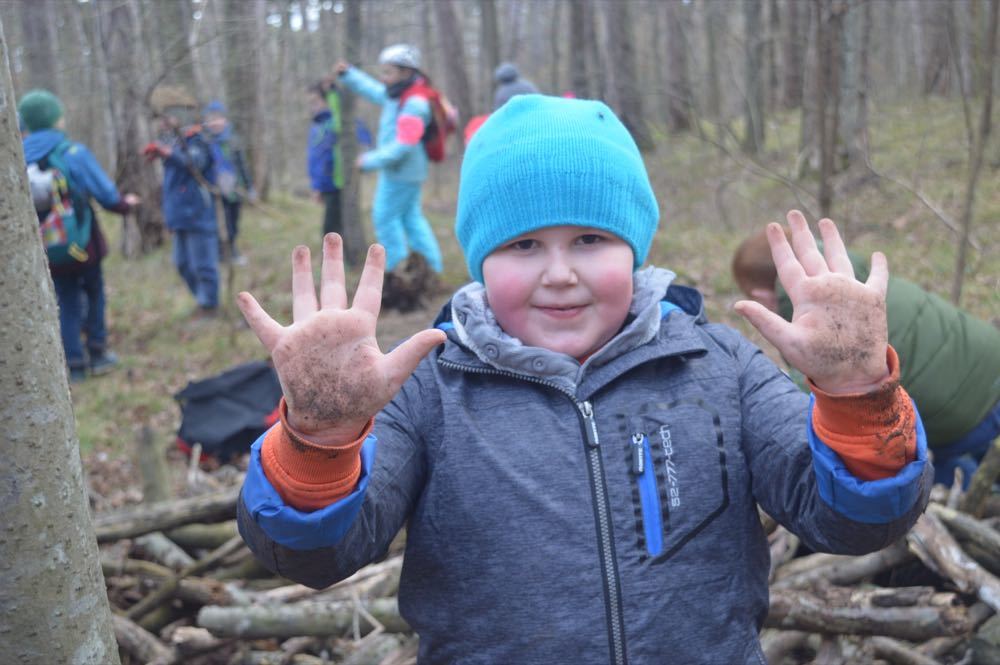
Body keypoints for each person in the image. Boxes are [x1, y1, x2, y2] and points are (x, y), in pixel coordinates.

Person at [235, 96, 931, 664]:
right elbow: (316, 554)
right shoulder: (431, 391)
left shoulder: (719, 366)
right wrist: (322, 434)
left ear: (635, 247)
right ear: (481, 260)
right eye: (523, 245)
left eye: (591, 240)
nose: (560, 273)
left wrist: (856, 396)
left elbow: (853, 520)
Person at [733, 228, 1000, 488]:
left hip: (968, 419)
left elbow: (818, 410)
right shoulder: (856, 279)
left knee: (947, 482)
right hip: (990, 356)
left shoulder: (815, 333)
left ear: (762, 297)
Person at [20, 89, 139, 383]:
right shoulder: (71, 152)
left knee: (66, 299)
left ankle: (73, 362)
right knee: (94, 291)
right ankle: (97, 352)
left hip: (47, 246)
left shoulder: (18, 157)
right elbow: (106, 195)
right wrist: (126, 205)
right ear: (55, 118)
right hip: (81, 244)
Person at [333, 44, 444, 279]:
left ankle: (396, 269)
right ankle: (432, 267)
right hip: (404, 171)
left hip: (402, 172)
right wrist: (349, 74)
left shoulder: (415, 104)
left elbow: (405, 144)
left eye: (388, 72)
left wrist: (369, 161)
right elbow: (373, 90)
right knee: (411, 219)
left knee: (384, 217)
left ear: (406, 72)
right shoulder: (398, 94)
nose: (383, 78)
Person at [144, 86, 219, 317]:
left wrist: (168, 153)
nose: (163, 123)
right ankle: (202, 300)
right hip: (178, 215)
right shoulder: (173, 142)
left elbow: (195, 163)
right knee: (182, 264)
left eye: (167, 117)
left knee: (203, 264)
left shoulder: (198, 139)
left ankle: (209, 306)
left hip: (197, 213)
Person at [203, 100, 254, 265]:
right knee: (221, 224)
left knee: (234, 222)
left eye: (218, 119)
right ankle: (221, 253)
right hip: (215, 192)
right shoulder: (204, 142)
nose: (215, 123)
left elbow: (242, 165)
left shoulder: (233, 140)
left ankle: (232, 250)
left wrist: (249, 187)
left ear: (225, 120)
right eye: (211, 119)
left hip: (234, 189)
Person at [306, 81, 345, 243]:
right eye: (310, 103)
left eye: (315, 102)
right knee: (329, 228)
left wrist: (333, 93)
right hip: (324, 185)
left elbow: (326, 159)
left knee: (332, 228)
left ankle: (336, 257)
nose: (312, 107)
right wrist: (316, 186)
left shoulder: (333, 123)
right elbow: (315, 160)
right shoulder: (317, 125)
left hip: (334, 184)